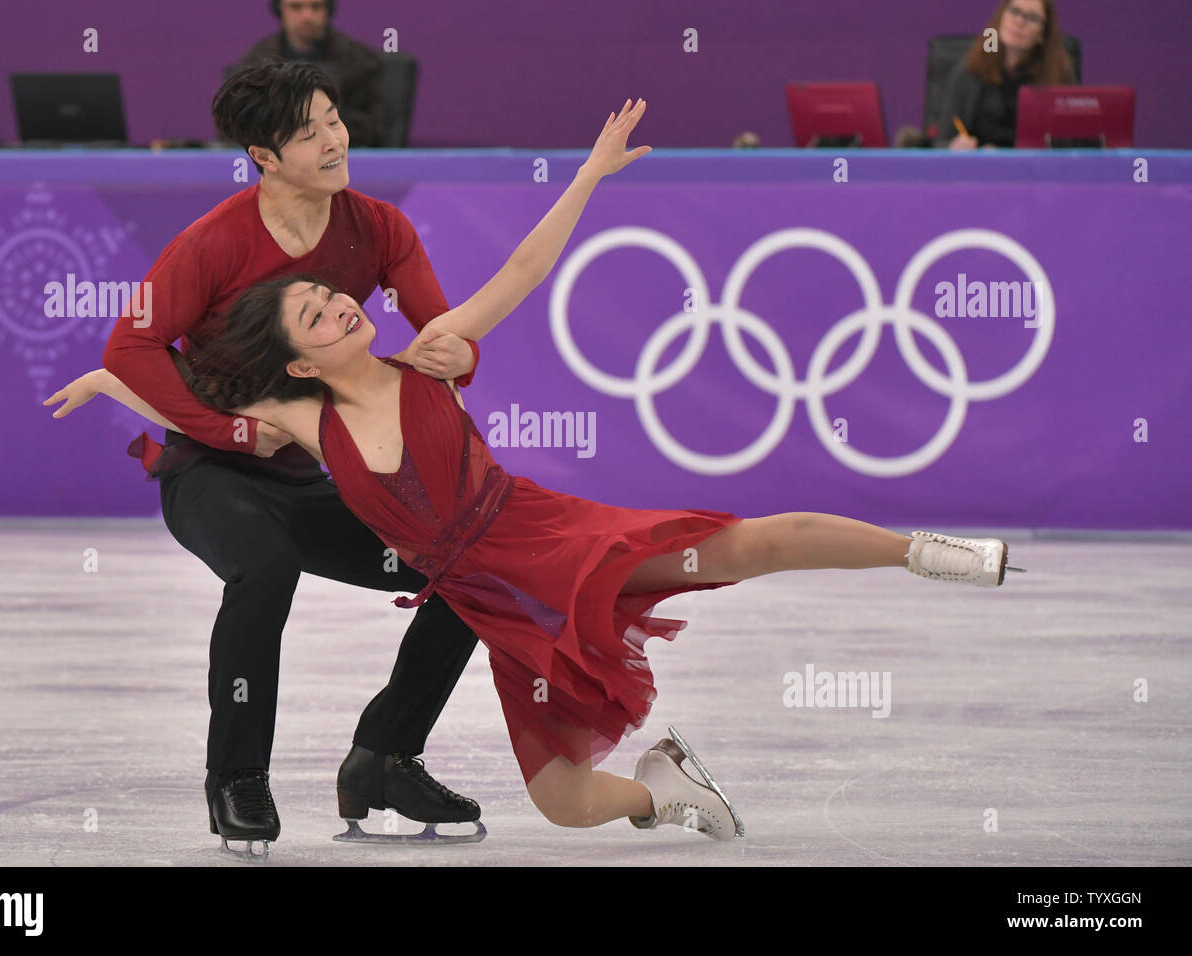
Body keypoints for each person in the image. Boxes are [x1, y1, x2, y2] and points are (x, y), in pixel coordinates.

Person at [57, 99, 1017, 839]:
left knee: (738, 548)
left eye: (332, 295)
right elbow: (194, 404)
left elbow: (520, 269)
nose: (341, 305)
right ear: (301, 360)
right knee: (561, 801)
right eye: (315, 313)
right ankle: (661, 793)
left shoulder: (426, 352)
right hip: (491, 601)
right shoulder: (299, 418)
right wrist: (112, 379)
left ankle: (925, 552)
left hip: (542, 538)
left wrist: (592, 175)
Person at [98, 60, 487, 856]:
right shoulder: (211, 243)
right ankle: (237, 779)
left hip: (318, 478)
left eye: (334, 119)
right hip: (209, 476)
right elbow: (129, 347)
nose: (334, 140)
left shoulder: (379, 228)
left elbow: (446, 332)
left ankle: (385, 756)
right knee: (265, 566)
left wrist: (459, 358)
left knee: (468, 565)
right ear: (263, 156)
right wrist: (231, 432)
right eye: (307, 132)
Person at [240, 0, 387, 147]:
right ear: (280, 10)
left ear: (328, 9)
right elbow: (242, 122)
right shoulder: (257, 63)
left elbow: (374, 125)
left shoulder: (361, 62)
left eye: (316, 6)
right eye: (296, 7)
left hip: (344, 153)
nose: (307, 16)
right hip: (278, 156)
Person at [936, 0, 1076, 150]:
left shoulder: (1059, 76)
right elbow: (942, 141)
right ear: (1001, 16)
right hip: (978, 168)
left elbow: (1068, 144)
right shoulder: (970, 71)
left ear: (1043, 33)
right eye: (1014, 11)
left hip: (1033, 169)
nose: (1019, 21)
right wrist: (955, 146)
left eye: (1032, 18)